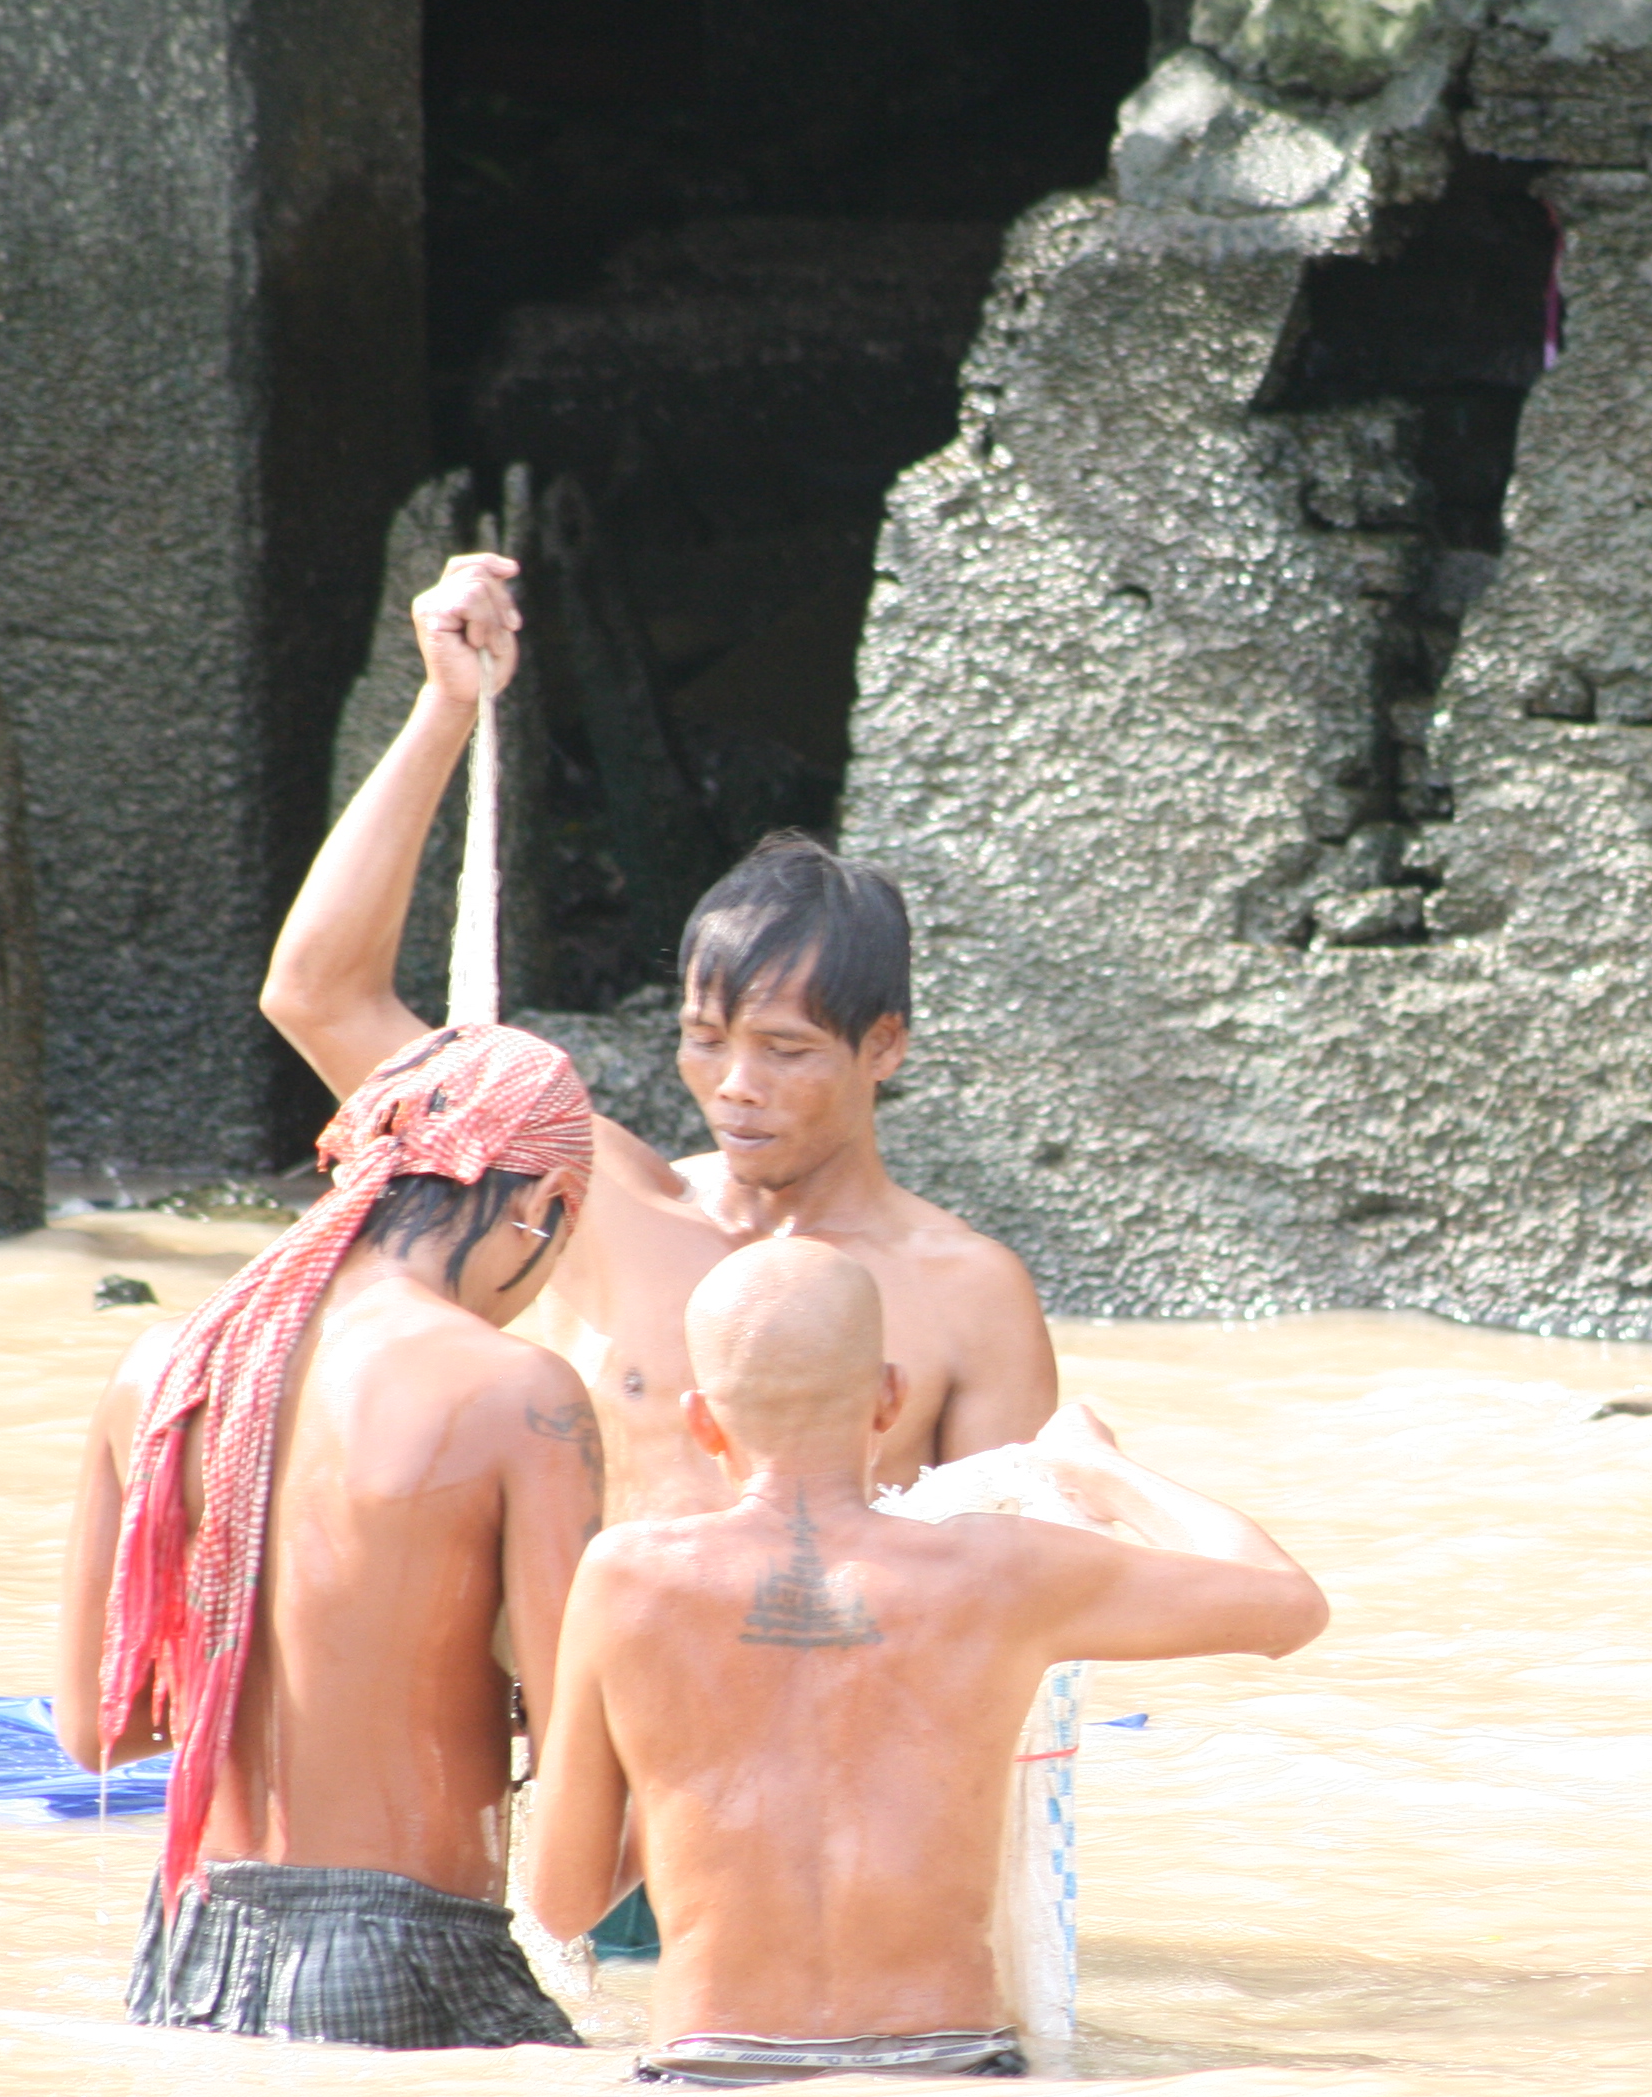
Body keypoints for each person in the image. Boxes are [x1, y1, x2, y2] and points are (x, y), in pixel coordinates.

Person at [259, 553, 1057, 1527]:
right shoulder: (579, 1193)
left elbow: (1004, 1592)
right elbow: (318, 996)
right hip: (592, 1680)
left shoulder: (969, 1293)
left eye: (787, 1049)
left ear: (884, 1046)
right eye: (705, 1040)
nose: (735, 1087)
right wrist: (445, 708)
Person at [521, 1241, 1329, 2085]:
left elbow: (563, 1902)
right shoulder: (999, 1573)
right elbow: (1287, 1605)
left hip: (710, 2072)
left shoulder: (625, 1579)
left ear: (699, 1419)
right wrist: (1100, 1470)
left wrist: (689, 1784)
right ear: (890, 1398)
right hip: (951, 2069)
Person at [55, 1024, 607, 2043]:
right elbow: (580, 1808)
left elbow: (98, 1731)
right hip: (405, 1952)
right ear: (544, 1209)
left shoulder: (158, 1367)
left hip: (190, 1940)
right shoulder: (518, 1392)